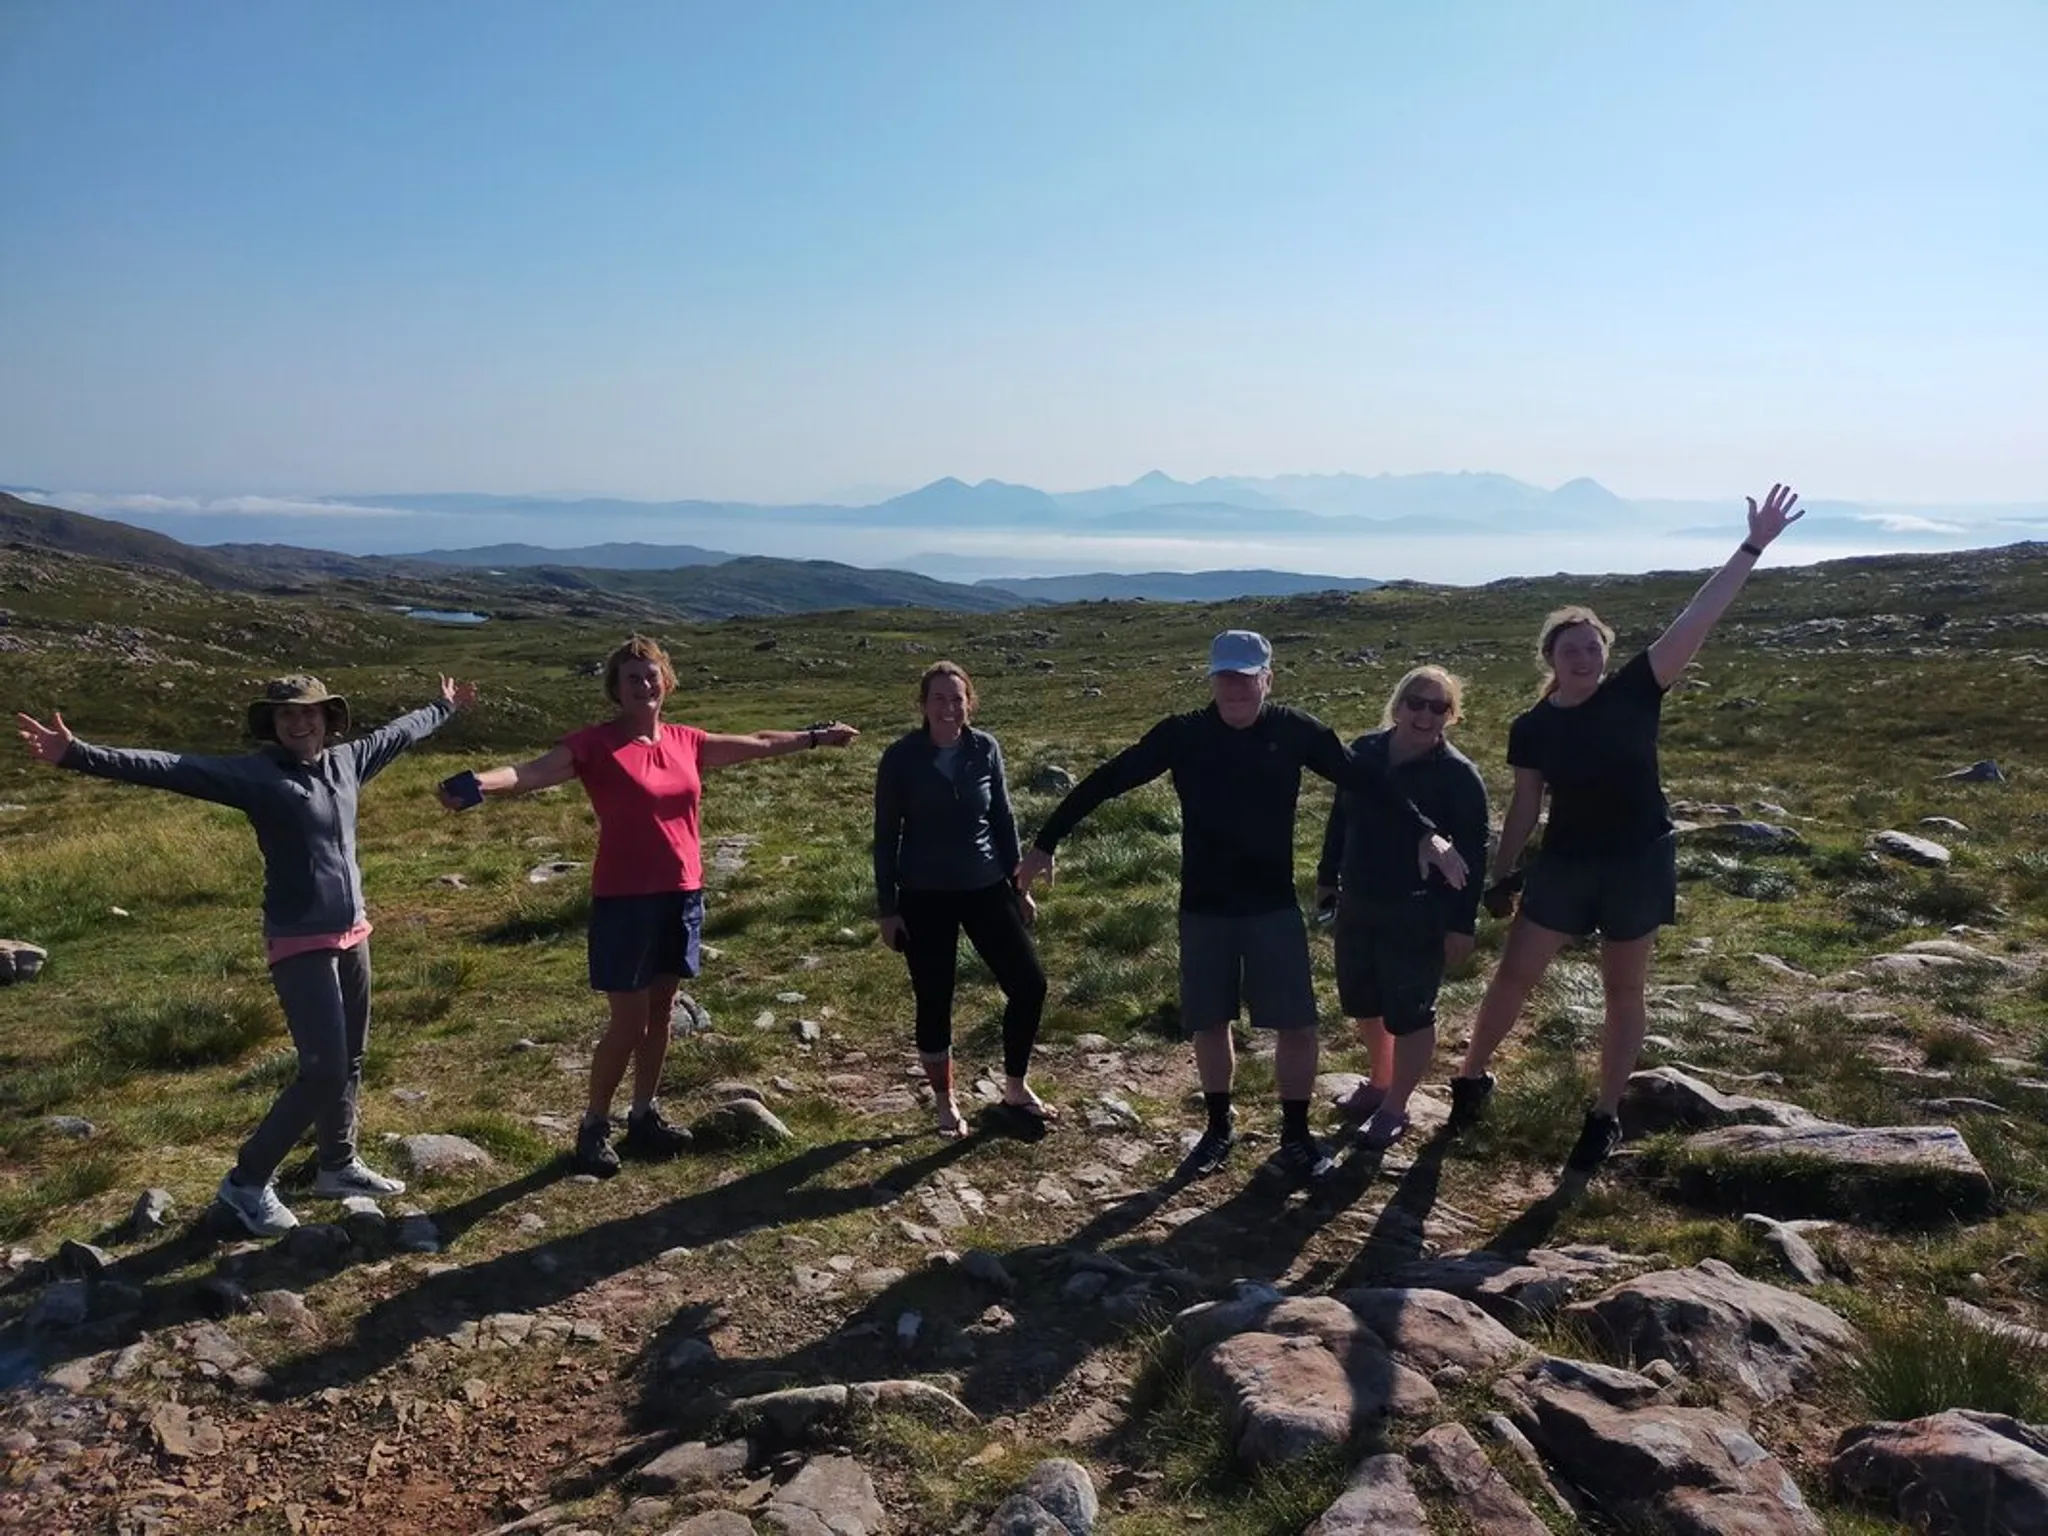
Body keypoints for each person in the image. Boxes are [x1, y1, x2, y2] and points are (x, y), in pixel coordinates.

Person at [15, 674, 475, 1237]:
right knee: (323, 1070)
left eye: (307, 713)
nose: (297, 723)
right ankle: (246, 1183)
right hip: (300, 941)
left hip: (354, 933)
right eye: (285, 717)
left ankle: (337, 1164)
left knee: (350, 1059)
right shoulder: (257, 776)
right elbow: (172, 766)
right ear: (274, 726)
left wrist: (443, 706)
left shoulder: (350, 761)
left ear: (328, 718)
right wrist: (79, 755)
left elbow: (402, 732)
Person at [1017, 629, 1468, 1184]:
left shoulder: (1294, 730)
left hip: (1272, 905)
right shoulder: (1182, 735)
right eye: (1225, 676)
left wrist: (1427, 833)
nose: (1235, 687)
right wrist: (1045, 842)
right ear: (1212, 680)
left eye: (1246, 677)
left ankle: (1296, 1135)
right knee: (1210, 1022)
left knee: (1298, 1025)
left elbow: (1366, 782)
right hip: (1204, 905)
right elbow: (1108, 780)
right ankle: (1216, 1128)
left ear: (1267, 680)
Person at [1447, 483, 1804, 1172]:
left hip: (1638, 859)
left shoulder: (1639, 690)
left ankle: (1603, 1114)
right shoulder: (1533, 726)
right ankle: (1470, 1078)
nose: (1583, 657)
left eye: (1592, 647)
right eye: (1570, 649)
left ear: (1605, 654)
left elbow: (1699, 617)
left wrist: (1753, 544)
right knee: (1513, 977)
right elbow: (1525, 804)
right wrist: (1503, 871)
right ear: (1550, 659)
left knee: (1623, 990)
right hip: (1567, 863)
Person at [442, 635, 857, 1177]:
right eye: (633, 677)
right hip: (624, 900)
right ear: (615, 689)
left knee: (663, 1013)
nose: (645, 684)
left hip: (681, 893)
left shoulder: (687, 741)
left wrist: (814, 738)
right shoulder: (595, 744)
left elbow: (757, 741)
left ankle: (644, 1116)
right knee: (629, 1022)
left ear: (666, 681)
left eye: (652, 674)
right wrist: (478, 784)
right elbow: (532, 772)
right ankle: (594, 1124)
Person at [1313, 666, 1489, 1150]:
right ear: (1398, 704)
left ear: (1450, 717)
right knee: (1364, 1001)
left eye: (1439, 707)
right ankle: (1380, 1080)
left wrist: (1461, 923)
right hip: (1358, 899)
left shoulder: (1459, 776)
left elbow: (1473, 854)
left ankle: (1396, 1106)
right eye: (1417, 702)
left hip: (1418, 911)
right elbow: (1341, 816)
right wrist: (1328, 877)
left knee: (1411, 1011)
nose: (1426, 714)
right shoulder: (1365, 752)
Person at [873, 661, 1051, 1139]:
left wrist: (1020, 889)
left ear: (969, 700)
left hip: (985, 885)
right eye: (939, 699)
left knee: (1029, 984)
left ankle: (1014, 1085)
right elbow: (886, 836)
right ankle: (944, 1099)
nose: (949, 708)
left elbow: (1003, 817)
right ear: (923, 705)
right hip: (923, 895)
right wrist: (887, 909)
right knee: (935, 998)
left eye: (957, 698)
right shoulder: (901, 757)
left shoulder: (985, 748)